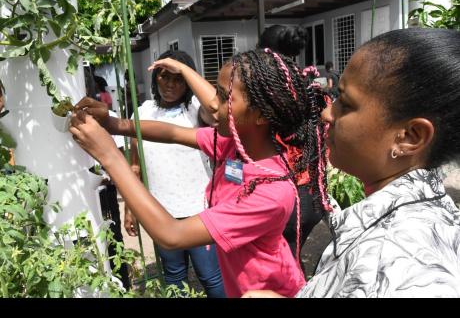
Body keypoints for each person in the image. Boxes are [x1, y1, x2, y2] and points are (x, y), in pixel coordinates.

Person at [69, 48, 330, 297]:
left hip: (270, 291)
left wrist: (110, 156)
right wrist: (114, 124)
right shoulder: (235, 146)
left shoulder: (271, 191)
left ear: (261, 114)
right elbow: (172, 133)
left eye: (223, 97)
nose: (213, 106)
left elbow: (172, 235)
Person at [242, 28, 460, 298]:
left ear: (409, 137)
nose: (326, 113)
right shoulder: (424, 212)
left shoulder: (400, 266)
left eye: (344, 103)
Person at [124, 50, 225, 298]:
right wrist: (130, 208)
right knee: (174, 277)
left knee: (210, 276)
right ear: (155, 78)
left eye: (177, 78)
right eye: (164, 76)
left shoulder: (196, 111)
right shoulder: (142, 112)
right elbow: (135, 165)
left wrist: (186, 70)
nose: (170, 84)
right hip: (161, 212)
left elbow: (217, 108)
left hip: (200, 212)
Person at [257, 24, 324, 272]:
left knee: (280, 266)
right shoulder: (307, 86)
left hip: (286, 196)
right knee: (290, 260)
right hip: (309, 192)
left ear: (264, 53)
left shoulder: (269, 94)